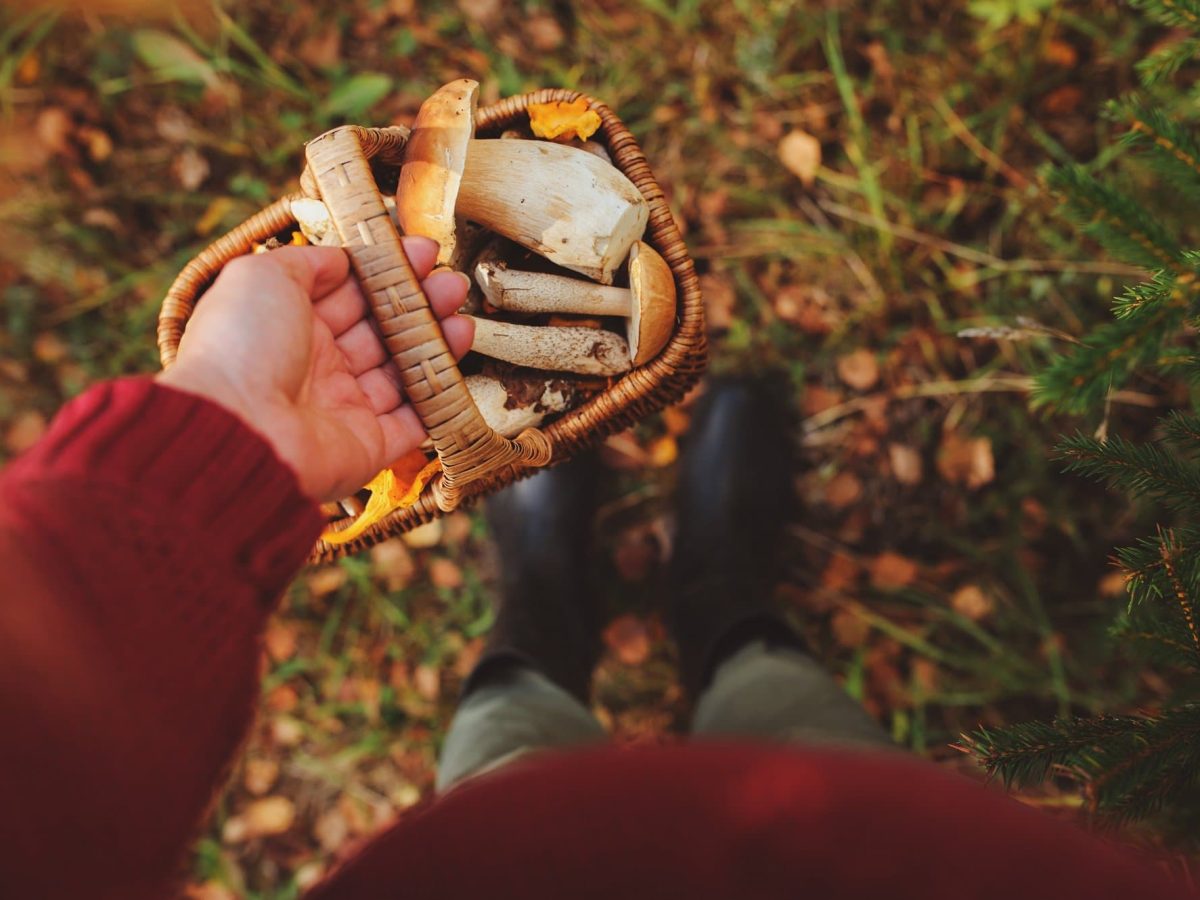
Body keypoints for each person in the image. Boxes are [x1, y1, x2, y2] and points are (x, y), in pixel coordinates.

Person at [0, 241, 1189, 900]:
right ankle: (717, 597)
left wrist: (227, 421)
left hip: (492, 862)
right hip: (846, 852)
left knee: (508, 746)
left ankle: (561, 599)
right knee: (784, 712)